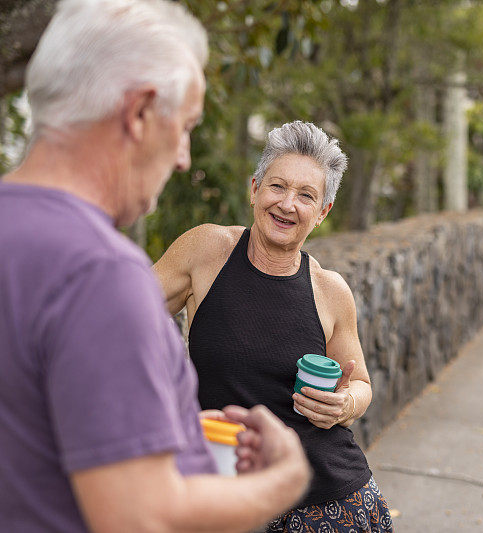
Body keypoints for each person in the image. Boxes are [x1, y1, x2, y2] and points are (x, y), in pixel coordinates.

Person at [0, 1, 311, 532]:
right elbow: (140, 520)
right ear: (141, 112)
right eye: (186, 126)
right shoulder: (99, 272)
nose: (185, 156)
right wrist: (284, 481)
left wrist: (165, 424)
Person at [154, 120, 394, 532]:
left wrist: (342, 405)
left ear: (322, 213)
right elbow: (122, 317)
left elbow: (362, 385)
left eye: (306, 196)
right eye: (277, 186)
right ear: (254, 189)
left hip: (329, 502)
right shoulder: (206, 251)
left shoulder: (330, 291)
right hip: (227, 495)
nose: (287, 204)